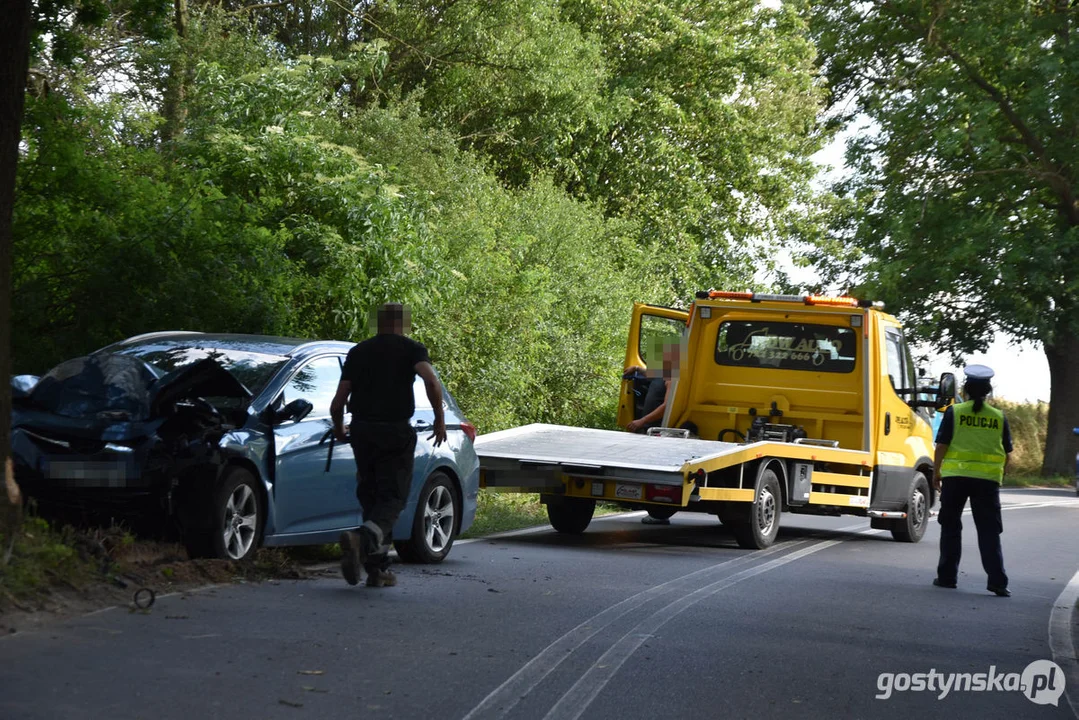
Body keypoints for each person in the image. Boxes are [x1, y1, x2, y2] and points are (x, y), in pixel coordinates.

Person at [330, 303, 447, 588]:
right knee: (393, 497)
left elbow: (339, 399)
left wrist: (339, 428)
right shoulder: (411, 350)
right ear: (403, 323)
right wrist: (439, 419)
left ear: (378, 323)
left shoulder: (358, 351)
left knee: (372, 496)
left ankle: (377, 569)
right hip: (394, 431)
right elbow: (431, 381)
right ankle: (362, 539)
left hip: (362, 430)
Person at [932, 364, 1013, 597]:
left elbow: (942, 445)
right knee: (989, 531)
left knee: (950, 527)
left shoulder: (954, 412)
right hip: (987, 482)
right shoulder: (998, 417)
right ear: (987, 391)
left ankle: (947, 578)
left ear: (966, 390)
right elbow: (1008, 453)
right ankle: (997, 582)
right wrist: (999, 475)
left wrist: (936, 472)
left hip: (955, 478)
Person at [624, 340, 681, 525]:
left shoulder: (671, 378)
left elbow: (667, 406)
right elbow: (648, 373)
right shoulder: (659, 374)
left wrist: (642, 421)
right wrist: (637, 370)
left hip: (656, 432)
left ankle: (658, 513)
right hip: (646, 429)